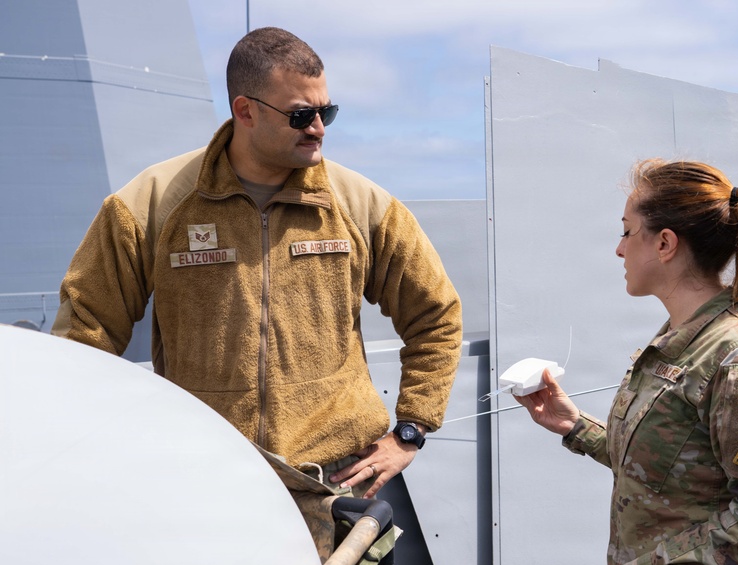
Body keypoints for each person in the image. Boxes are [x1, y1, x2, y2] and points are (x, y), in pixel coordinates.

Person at [51, 27, 463, 501]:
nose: (319, 128)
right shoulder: (152, 204)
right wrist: (99, 450)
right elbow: (84, 334)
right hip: (203, 482)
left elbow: (436, 315)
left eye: (326, 111)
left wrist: (411, 429)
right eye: (301, 115)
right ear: (245, 111)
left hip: (336, 486)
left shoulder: (359, 205)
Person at [515, 159, 738, 565]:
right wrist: (575, 427)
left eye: (628, 232)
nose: (619, 248)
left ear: (666, 244)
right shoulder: (679, 341)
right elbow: (676, 468)